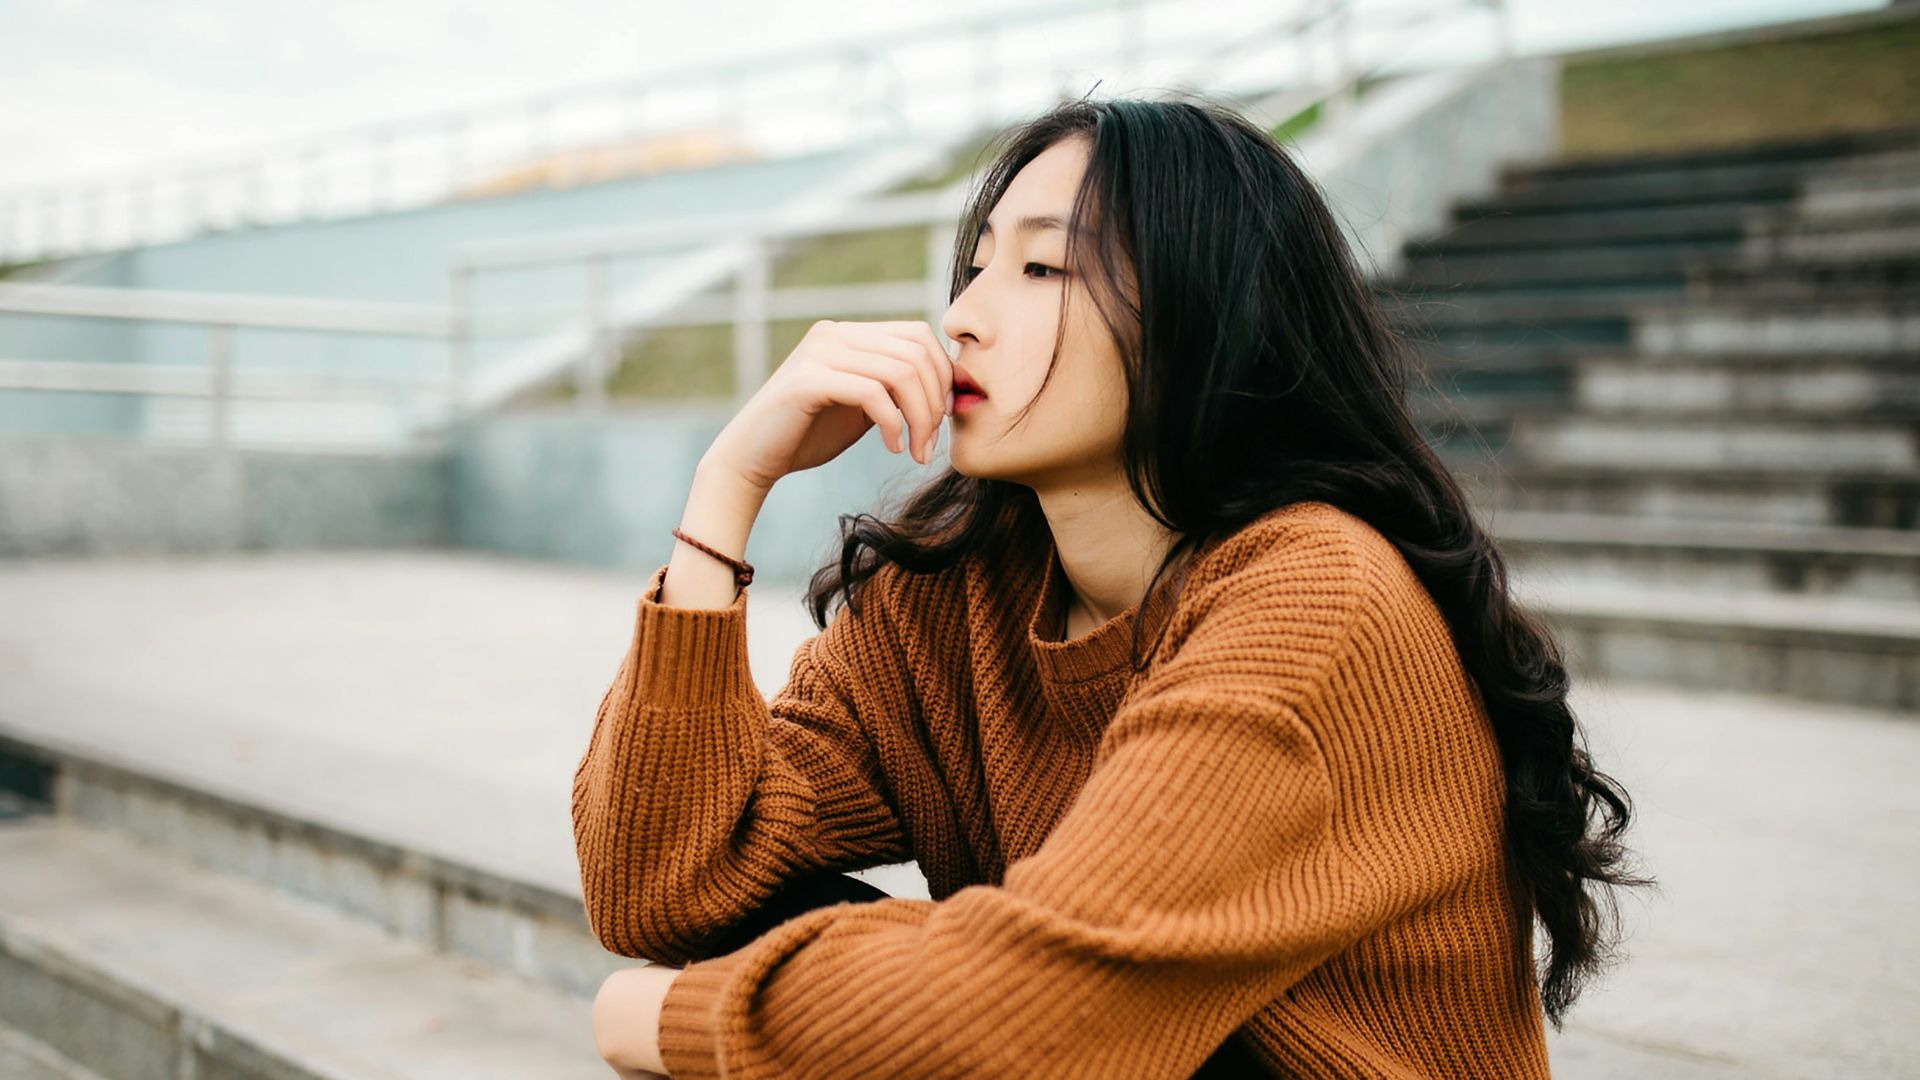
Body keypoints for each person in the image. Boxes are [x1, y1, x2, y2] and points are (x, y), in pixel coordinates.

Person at [574, 93, 1650, 1079]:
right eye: (977, 267)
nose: (964, 319)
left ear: (1202, 316)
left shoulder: (1317, 602)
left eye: (1043, 271)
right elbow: (661, 884)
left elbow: (1037, 1018)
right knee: (779, 931)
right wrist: (728, 489)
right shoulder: (955, 592)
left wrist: (668, 1024)